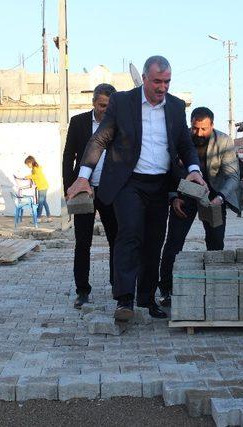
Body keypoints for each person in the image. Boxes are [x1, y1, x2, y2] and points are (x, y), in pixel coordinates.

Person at [66, 55, 207, 321]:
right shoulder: (123, 102)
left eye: (166, 81)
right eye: (156, 81)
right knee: (129, 235)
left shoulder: (176, 106)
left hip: (160, 184)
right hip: (129, 182)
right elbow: (99, 139)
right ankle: (124, 300)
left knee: (154, 242)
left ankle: (147, 298)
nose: (162, 87)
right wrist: (83, 176)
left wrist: (194, 171)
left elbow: (185, 144)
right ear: (144, 78)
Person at [157, 107, 239, 306]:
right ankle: (166, 289)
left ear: (212, 125)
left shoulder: (224, 141)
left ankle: (216, 288)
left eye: (204, 129)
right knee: (173, 244)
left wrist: (220, 198)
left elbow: (233, 175)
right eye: (195, 128)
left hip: (213, 198)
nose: (199, 133)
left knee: (216, 243)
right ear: (190, 124)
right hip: (184, 197)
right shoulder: (179, 139)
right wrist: (173, 197)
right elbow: (167, 171)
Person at [62, 83, 118, 308]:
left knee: (116, 240)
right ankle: (82, 291)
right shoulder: (78, 123)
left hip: (110, 191)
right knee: (82, 242)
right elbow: (68, 157)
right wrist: (70, 186)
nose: (106, 110)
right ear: (94, 103)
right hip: (83, 192)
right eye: (102, 105)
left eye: (110, 106)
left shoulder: (119, 123)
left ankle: (118, 286)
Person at [23, 156, 51, 221]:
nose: (27, 166)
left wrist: (28, 176)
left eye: (27, 164)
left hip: (42, 187)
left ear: (31, 162)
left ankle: (38, 218)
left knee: (40, 202)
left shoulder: (35, 168)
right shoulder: (35, 167)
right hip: (43, 186)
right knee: (44, 202)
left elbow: (37, 176)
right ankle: (49, 217)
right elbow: (37, 177)